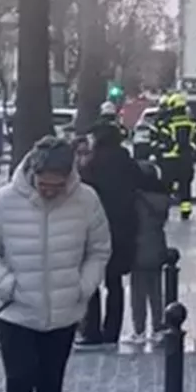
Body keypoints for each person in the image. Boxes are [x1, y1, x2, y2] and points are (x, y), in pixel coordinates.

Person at [0, 136, 112, 392]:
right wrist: (7, 287)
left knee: (51, 386)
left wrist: (82, 287)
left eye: (57, 186)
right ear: (33, 173)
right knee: (19, 383)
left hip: (63, 313)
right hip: (15, 313)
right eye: (43, 184)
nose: (49, 191)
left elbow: (99, 250)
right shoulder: (4, 201)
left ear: (69, 177)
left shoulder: (87, 200)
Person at [76, 121, 143, 347]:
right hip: (122, 228)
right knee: (114, 283)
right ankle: (112, 330)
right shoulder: (126, 161)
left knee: (92, 281)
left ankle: (91, 329)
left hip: (95, 229)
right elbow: (144, 182)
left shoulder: (91, 164)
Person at [128, 164, 171, 343]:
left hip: (138, 248)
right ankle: (157, 326)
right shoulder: (163, 199)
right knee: (156, 292)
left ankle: (139, 330)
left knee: (138, 293)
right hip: (158, 246)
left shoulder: (136, 199)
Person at [145, 93, 196, 220]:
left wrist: (157, 152)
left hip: (169, 160)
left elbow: (163, 140)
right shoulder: (192, 122)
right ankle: (185, 211)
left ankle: (164, 211)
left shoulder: (167, 123)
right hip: (186, 160)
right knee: (185, 185)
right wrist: (191, 150)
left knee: (166, 187)